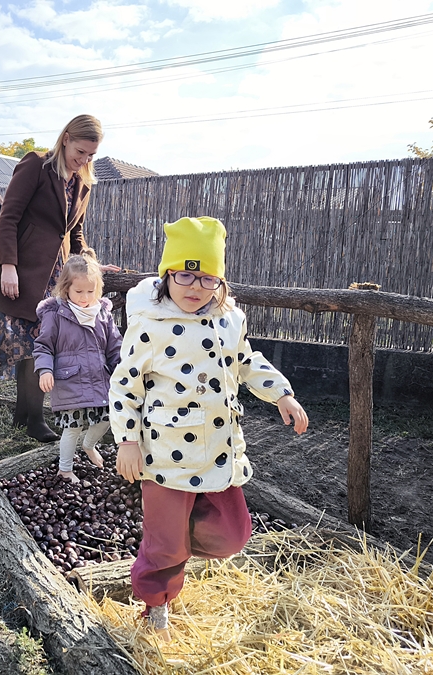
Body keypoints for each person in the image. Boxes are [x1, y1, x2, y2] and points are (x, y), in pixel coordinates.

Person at [110, 216, 309, 641]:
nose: (194, 286)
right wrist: (127, 440)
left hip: (219, 448)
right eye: (185, 274)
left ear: (219, 282)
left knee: (232, 535)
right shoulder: (149, 324)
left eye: (207, 278)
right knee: (164, 544)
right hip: (164, 454)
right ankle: (156, 606)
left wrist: (282, 394)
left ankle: (171, 550)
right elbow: (124, 385)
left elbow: (247, 361)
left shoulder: (229, 319)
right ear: (167, 276)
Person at [0, 114, 117, 443]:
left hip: (55, 275)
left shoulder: (82, 181)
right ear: (66, 137)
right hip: (24, 272)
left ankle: (22, 416)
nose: (84, 159)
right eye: (81, 151)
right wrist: (9, 266)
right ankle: (33, 420)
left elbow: (75, 233)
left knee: (39, 346)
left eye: (91, 155)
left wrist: (90, 263)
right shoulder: (36, 166)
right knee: (30, 349)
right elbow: (8, 217)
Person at [33, 251, 122, 483]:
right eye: (78, 291)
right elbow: (43, 346)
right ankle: (65, 469)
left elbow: (114, 347)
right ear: (66, 288)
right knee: (72, 428)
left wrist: (122, 370)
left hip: (99, 380)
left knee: (106, 418)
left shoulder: (103, 313)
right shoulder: (56, 314)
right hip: (69, 381)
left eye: (90, 292)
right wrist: (45, 370)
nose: (85, 297)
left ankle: (89, 444)